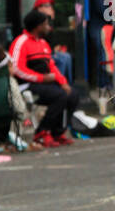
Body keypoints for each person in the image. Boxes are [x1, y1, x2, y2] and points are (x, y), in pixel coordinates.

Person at [9, 9, 80, 146]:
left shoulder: (43, 43)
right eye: (46, 24)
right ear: (38, 26)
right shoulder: (21, 42)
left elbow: (52, 67)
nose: (49, 27)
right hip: (26, 85)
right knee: (59, 96)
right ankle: (42, 132)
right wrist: (41, 78)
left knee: (72, 94)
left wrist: (63, 82)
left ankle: (58, 132)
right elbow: (17, 68)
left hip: (44, 84)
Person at [34, 0, 74, 84]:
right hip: (39, 55)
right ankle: (60, 86)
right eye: (48, 6)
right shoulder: (37, 21)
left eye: (51, 6)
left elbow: (49, 40)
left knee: (67, 56)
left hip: (48, 51)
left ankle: (67, 85)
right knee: (63, 58)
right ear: (39, 8)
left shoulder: (47, 20)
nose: (51, 8)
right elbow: (42, 39)